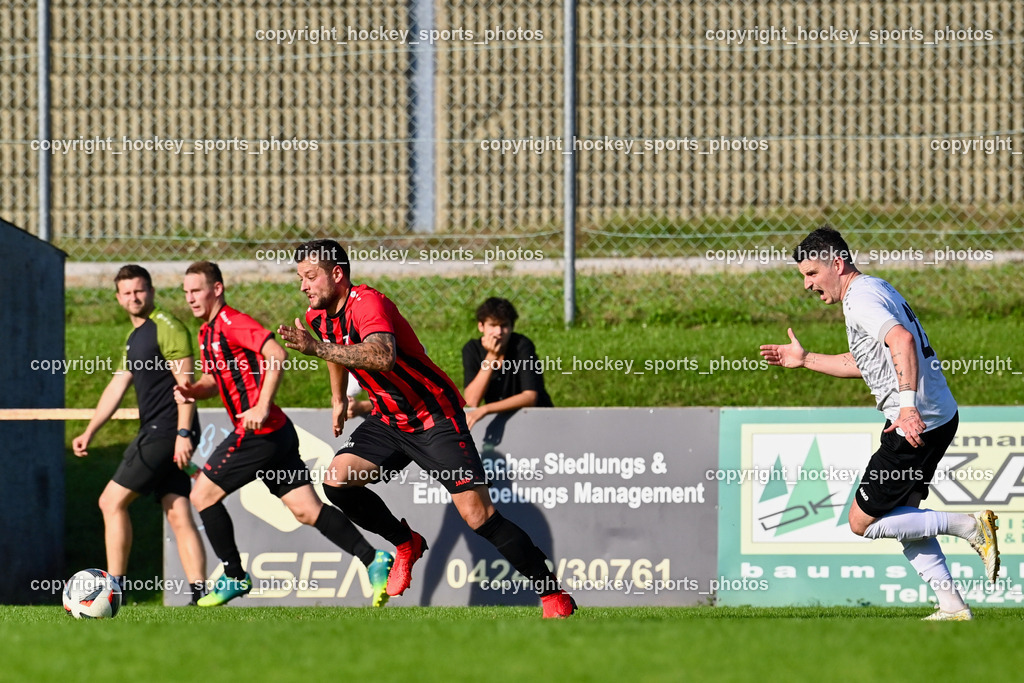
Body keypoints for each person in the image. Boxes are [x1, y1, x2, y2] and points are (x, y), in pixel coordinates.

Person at [277, 239, 577, 618]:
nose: (303, 285)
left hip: (434, 417)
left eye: (310, 276)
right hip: (388, 419)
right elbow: (333, 348)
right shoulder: (319, 314)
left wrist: (316, 349)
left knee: (478, 516)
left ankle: (553, 595)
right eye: (300, 278)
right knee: (336, 480)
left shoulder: (367, 303)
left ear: (337, 274)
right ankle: (405, 542)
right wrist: (338, 397)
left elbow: (382, 356)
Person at [759, 227, 999, 621]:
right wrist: (806, 360)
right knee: (902, 517)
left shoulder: (861, 299)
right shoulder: (873, 288)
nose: (807, 284)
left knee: (862, 522)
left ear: (837, 263)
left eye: (812, 273)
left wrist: (906, 408)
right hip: (934, 416)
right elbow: (868, 361)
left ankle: (969, 526)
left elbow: (902, 340)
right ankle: (953, 607)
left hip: (914, 422)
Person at [174, 261, 394, 607]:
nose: (190, 298)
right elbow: (215, 382)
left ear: (217, 288)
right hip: (277, 436)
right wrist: (193, 390)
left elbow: (275, 354)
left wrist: (262, 406)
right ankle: (373, 558)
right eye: (186, 293)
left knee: (202, 496)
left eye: (197, 290)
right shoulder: (206, 333)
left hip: (258, 432)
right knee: (307, 511)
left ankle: (233, 575)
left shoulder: (231, 322)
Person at [72, 265, 208, 605]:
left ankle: (112, 591)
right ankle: (201, 597)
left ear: (151, 291)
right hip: (165, 430)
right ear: (119, 299)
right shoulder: (135, 337)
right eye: (127, 292)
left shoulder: (168, 327)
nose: (134, 297)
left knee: (110, 501)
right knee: (177, 510)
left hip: (167, 431)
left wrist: (182, 432)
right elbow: (117, 385)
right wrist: (90, 430)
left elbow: (186, 386)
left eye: (140, 290)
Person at [462, 297, 552, 429]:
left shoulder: (522, 346)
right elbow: (472, 400)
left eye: (504, 326)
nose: (498, 332)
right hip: (499, 423)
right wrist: (491, 357)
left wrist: (486, 409)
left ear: (512, 327)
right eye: (492, 325)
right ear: (481, 326)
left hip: (535, 420)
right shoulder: (472, 349)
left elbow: (530, 396)